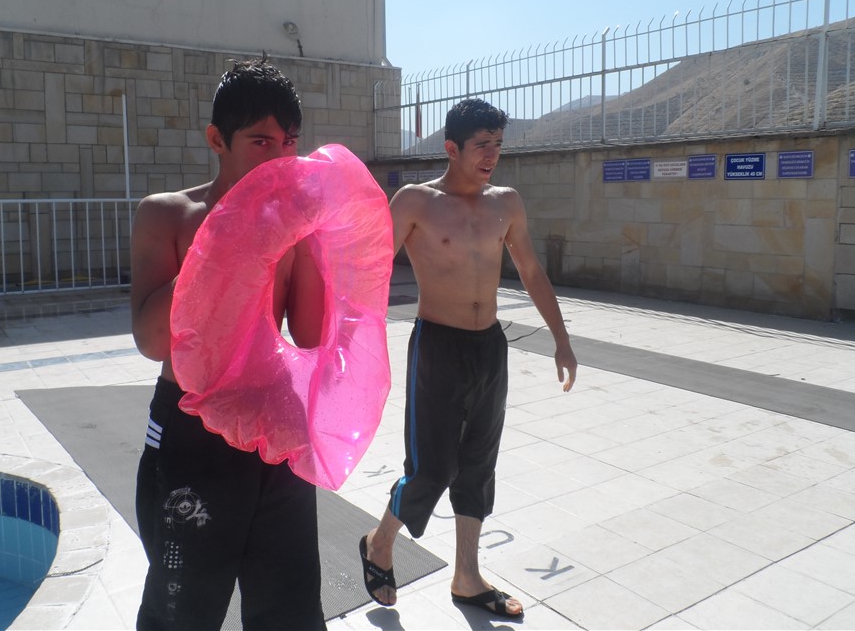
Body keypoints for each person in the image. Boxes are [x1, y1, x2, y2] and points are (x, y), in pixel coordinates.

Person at [358, 98, 578, 619]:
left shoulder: (507, 203)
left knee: (478, 464)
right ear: (451, 148)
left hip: (489, 347)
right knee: (431, 469)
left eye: (498, 144)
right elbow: (369, 270)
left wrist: (562, 338)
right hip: (437, 346)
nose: (492, 155)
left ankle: (467, 577)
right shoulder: (416, 202)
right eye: (482, 145)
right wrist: (347, 342)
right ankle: (379, 542)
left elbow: (531, 271)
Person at [131, 59, 326, 631]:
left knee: (290, 611)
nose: (279, 158)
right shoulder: (168, 215)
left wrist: (310, 243)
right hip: (192, 428)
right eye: (261, 141)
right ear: (217, 140)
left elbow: (310, 336)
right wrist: (230, 235)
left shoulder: (292, 227)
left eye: (289, 143)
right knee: (181, 612)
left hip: (273, 427)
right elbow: (152, 341)